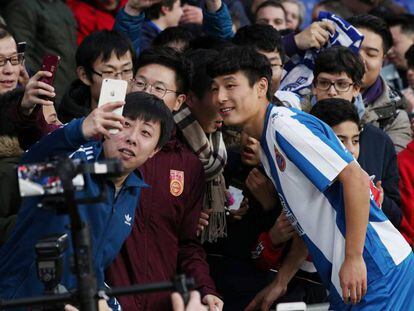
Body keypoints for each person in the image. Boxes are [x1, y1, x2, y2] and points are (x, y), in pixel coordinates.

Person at [208, 45, 414, 310]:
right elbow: (309, 221)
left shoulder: (284, 126)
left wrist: (353, 258)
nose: (220, 97)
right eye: (214, 88)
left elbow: (355, 179)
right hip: (351, 279)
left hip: (376, 271)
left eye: (230, 86)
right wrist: (281, 281)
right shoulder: (269, 140)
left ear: (261, 87)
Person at [0, 91, 174, 300]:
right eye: (125, 124)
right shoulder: (77, 166)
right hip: (16, 301)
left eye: (146, 133)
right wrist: (79, 130)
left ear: (155, 150)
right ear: (108, 125)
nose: (132, 138)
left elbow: (95, 263)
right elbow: (27, 176)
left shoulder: (132, 189)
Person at [106, 47, 222, 311]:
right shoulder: (101, 144)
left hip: (162, 302)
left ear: (179, 101)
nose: (147, 93)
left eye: (159, 88)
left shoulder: (189, 165)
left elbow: (187, 244)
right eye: (141, 83)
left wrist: (204, 289)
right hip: (107, 301)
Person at [309, 46, 403, 229]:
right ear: (314, 86)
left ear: (356, 89)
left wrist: (378, 199)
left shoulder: (379, 141)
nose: (332, 91)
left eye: (342, 84)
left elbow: (397, 217)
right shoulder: (297, 132)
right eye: (324, 83)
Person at [347, 14, 412, 152]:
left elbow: (390, 168)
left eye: (370, 54)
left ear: (383, 60)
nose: (359, 60)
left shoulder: (395, 115)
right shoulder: (311, 89)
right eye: (352, 50)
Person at [4, 0, 77, 105]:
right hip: (44, 93)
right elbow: (23, 55)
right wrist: (37, 86)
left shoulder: (62, 6)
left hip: (67, 92)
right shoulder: (23, 5)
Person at [57, 30, 135, 123]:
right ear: (84, 75)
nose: (120, 80)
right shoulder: (65, 121)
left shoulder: (142, 113)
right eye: (109, 72)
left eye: (126, 70)